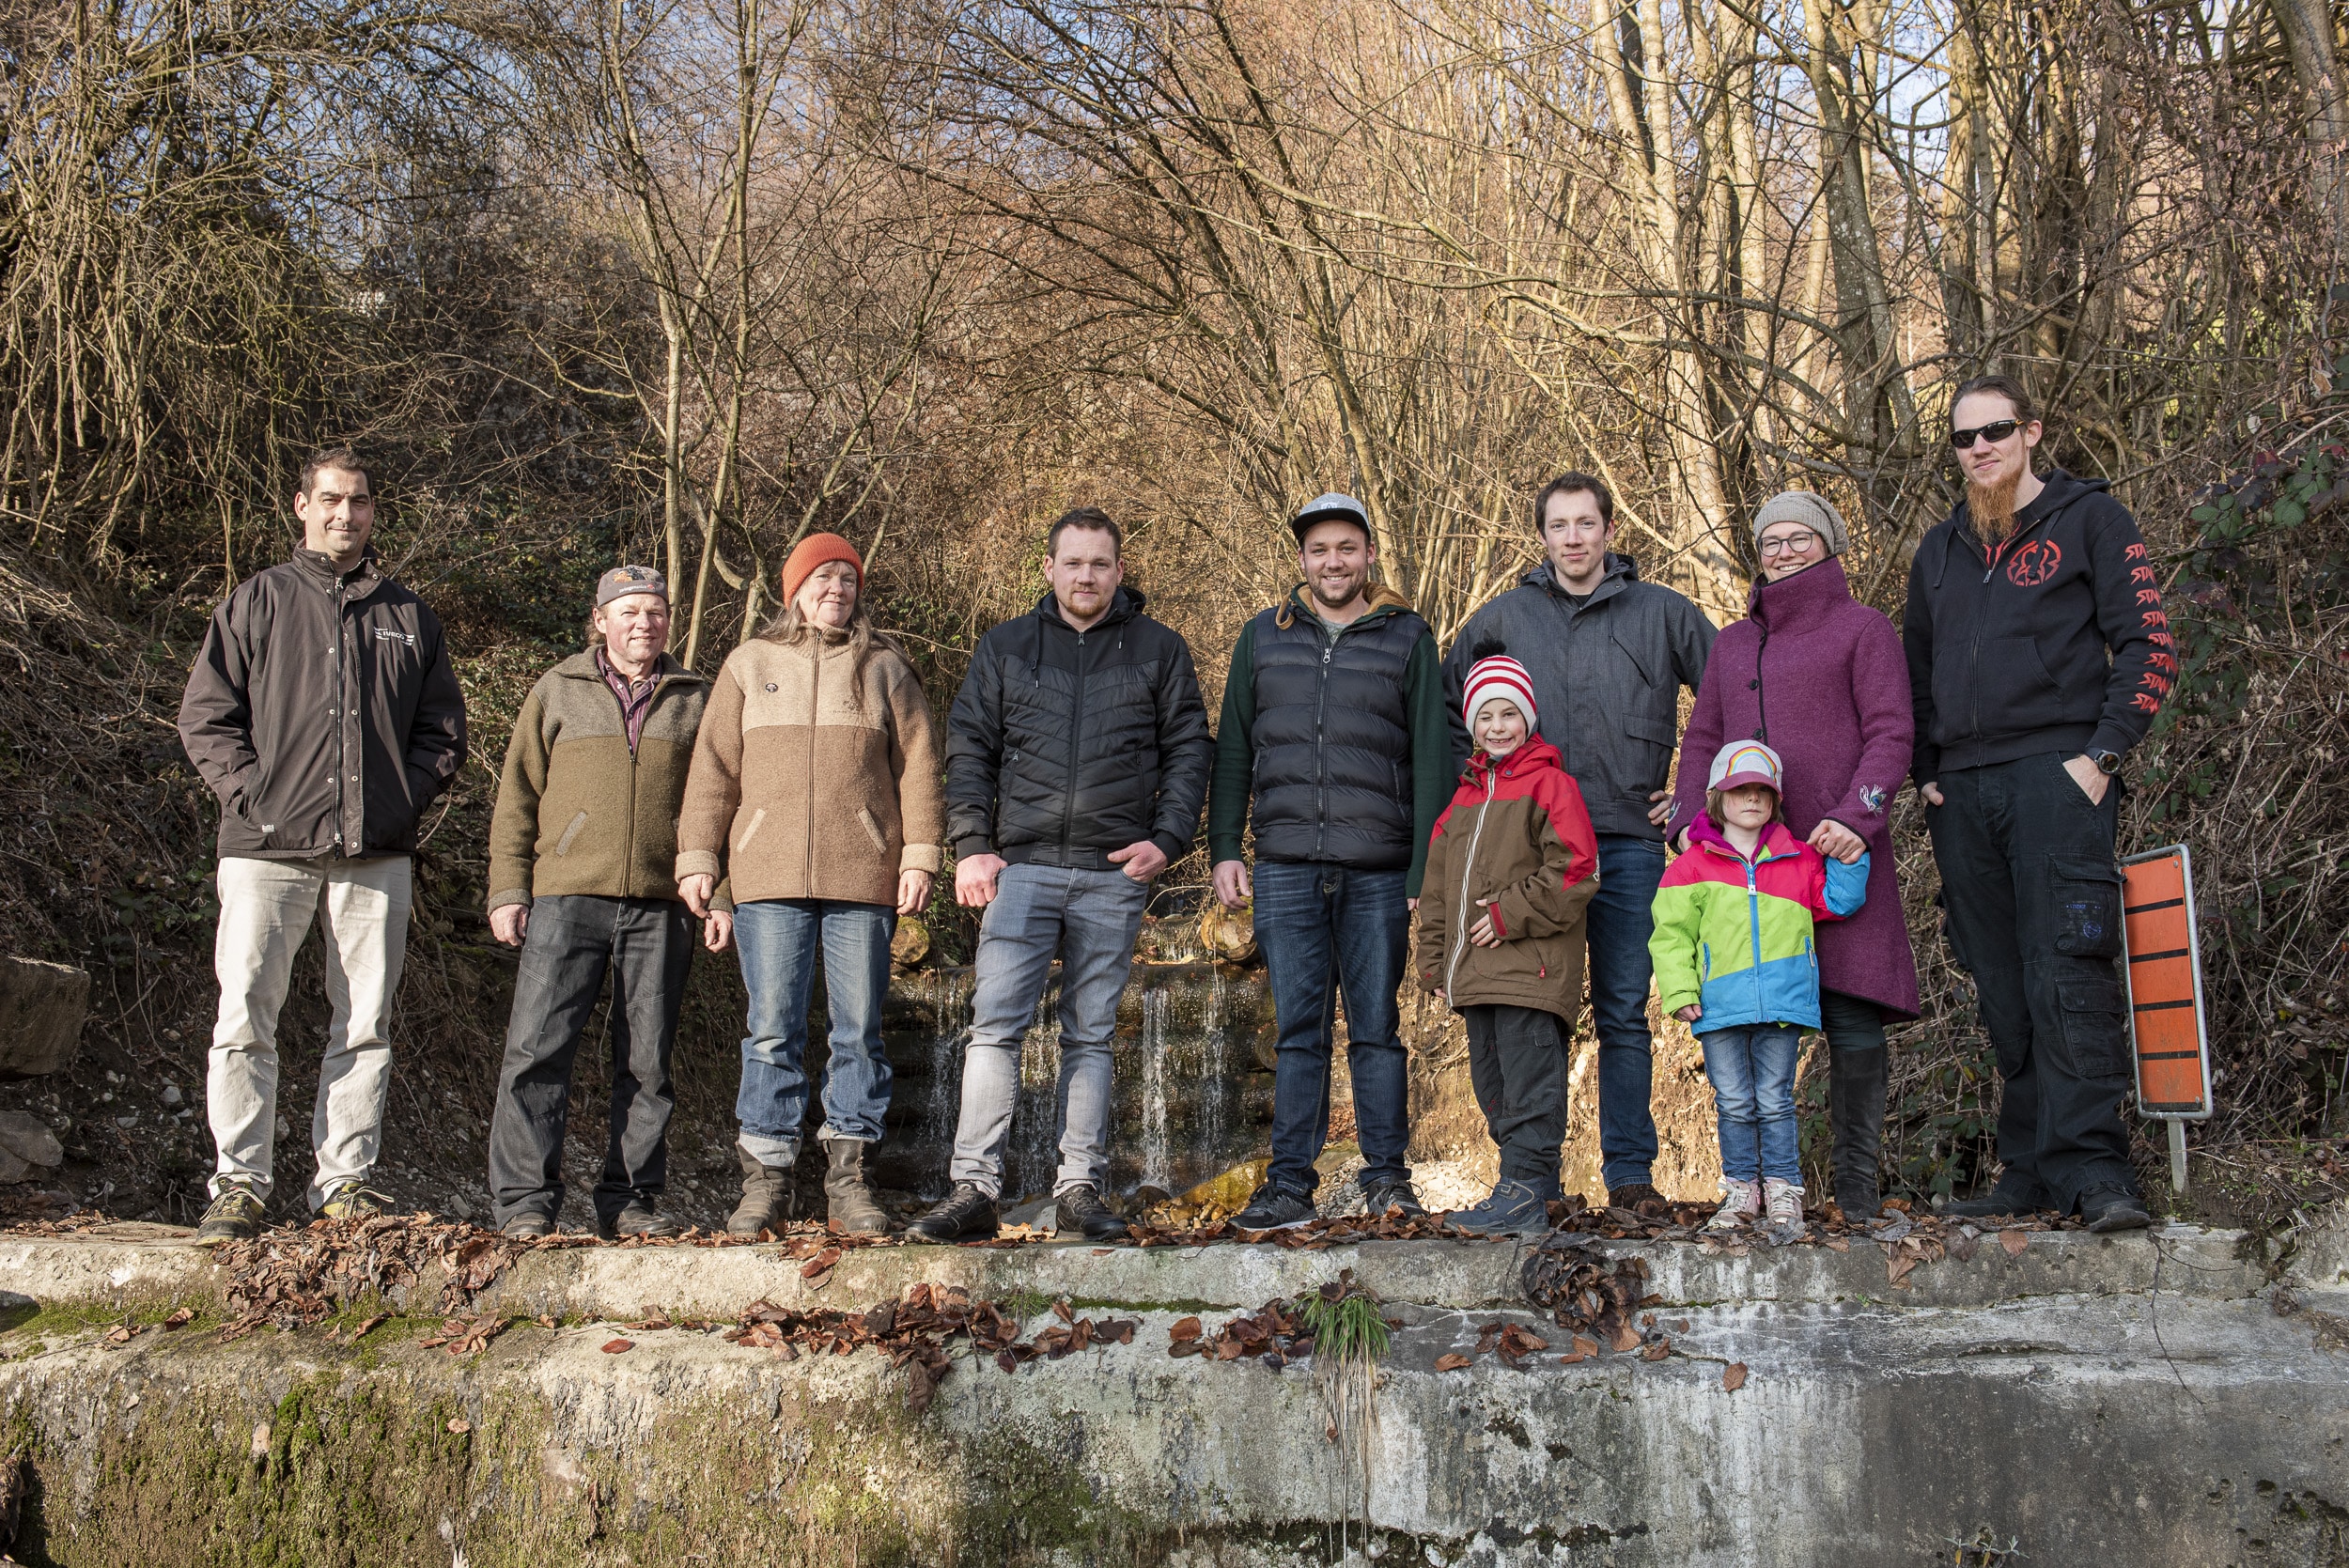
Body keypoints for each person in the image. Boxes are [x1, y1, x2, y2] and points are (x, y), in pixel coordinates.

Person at [178, 448, 467, 1242]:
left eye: (361, 501)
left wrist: (399, 802)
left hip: (376, 853)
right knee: (244, 1015)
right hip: (266, 848)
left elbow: (441, 733)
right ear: (301, 506)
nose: (347, 514)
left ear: (375, 511)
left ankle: (343, 1182)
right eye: (331, 500)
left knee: (365, 1021)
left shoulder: (410, 617)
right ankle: (238, 1183)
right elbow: (206, 716)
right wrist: (253, 797)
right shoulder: (256, 602)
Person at [1906, 374, 2168, 1234]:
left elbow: (2149, 644)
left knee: (2068, 972)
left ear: (2031, 432)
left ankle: (2095, 1169)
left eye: (1996, 430)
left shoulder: (2091, 520)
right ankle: (2027, 1165)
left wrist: (2102, 754)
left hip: (2059, 775)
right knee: (2001, 983)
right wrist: (1925, 768)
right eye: (1964, 437)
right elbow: (1913, 675)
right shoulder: (1938, 552)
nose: (1979, 446)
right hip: (1964, 791)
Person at [907, 507, 1212, 1244]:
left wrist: (1167, 840)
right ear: (1049, 569)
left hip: (1112, 873)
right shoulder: (1008, 645)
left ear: (1118, 570)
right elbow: (970, 746)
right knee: (993, 1030)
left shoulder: (1158, 649)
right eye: (1073, 563)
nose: (1086, 576)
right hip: (1023, 869)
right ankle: (973, 1187)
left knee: (1091, 1036)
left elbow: (1189, 751)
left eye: (1100, 564)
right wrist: (972, 844)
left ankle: (1078, 1185)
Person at [1443, 474, 1715, 1211]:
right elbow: (1446, 708)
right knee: (1538, 1011)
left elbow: (1730, 695)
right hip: (1534, 860)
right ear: (1541, 536)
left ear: (1608, 529)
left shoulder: (1662, 613)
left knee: (1624, 1009)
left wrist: (1696, 791)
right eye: (1558, 525)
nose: (1573, 537)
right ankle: (1535, 1181)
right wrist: (1480, 805)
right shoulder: (1503, 618)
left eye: (1585, 523)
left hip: (1627, 841)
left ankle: (1629, 1176)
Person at [676, 534, 944, 1236]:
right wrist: (699, 856)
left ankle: (850, 1183)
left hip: (864, 875)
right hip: (766, 876)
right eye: (823, 578)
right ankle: (765, 1181)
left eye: (847, 579)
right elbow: (713, 770)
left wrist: (918, 854)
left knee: (858, 1031)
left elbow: (919, 764)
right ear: (793, 590)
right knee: (772, 1030)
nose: (836, 589)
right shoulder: (748, 664)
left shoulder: (886, 667)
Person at [1669, 492, 1917, 1218]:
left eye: (1798, 538)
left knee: (1851, 1014)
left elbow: (1891, 732)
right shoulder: (1732, 644)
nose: (1781, 551)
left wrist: (1855, 816)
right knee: (1751, 1029)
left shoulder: (1863, 629)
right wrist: (1687, 822)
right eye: (1770, 540)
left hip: (1835, 854)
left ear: (1829, 544)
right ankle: (1762, 1189)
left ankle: (1858, 1191)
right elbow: (1703, 742)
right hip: (1744, 869)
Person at [1208, 493, 1453, 1230]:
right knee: (1298, 1031)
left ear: (1369, 554)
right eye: (1320, 550)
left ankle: (1387, 1179)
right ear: (1303, 559)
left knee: (1377, 1027)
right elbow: (1233, 751)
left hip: (1379, 871)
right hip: (1283, 868)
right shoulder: (1261, 637)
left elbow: (1433, 759)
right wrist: (1225, 845)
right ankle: (1289, 1184)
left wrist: (1424, 873)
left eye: (1347, 547)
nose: (1334, 561)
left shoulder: (1408, 637)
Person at [483, 567, 730, 1240]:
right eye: (628, 611)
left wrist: (722, 892)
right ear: (599, 620)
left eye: (655, 611)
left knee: (647, 1059)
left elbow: (723, 803)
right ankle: (526, 1202)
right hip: (565, 896)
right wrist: (508, 887)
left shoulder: (696, 699)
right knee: (537, 1050)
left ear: (669, 622)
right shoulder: (556, 691)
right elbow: (517, 797)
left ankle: (631, 1202)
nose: (642, 623)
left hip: (664, 900)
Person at [1413, 650, 1599, 1234]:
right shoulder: (1462, 802)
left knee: (1529, 1083)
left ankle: (1525, 1184)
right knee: (1491, 1084)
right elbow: (1437, 890)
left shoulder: (1551, 785)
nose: (1498, 726)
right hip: (1475, 976)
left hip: (1531, 970)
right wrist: (1435, 964)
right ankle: (1532, 1190)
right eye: (1485, 716)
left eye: (1508, 714)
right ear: (1472, 726)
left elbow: (1576, 870)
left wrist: (1507, 914)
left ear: (1528, 719)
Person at [1649, 742, 1868, 1229]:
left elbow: (1839, 901)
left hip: (1783, 1002)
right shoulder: (1691, 867)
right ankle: (1741, 1191)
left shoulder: (1799, 858)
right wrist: (1681, 991)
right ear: (1716, 798)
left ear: (1775, 800)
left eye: (1762, 791)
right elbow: (1671, 935)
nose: (1751, 799)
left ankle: (1784, 1190)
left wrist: (1855, 853)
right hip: (1719, 1005)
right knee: (1733, 1101)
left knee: (1773, 1098)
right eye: (1739, 790)